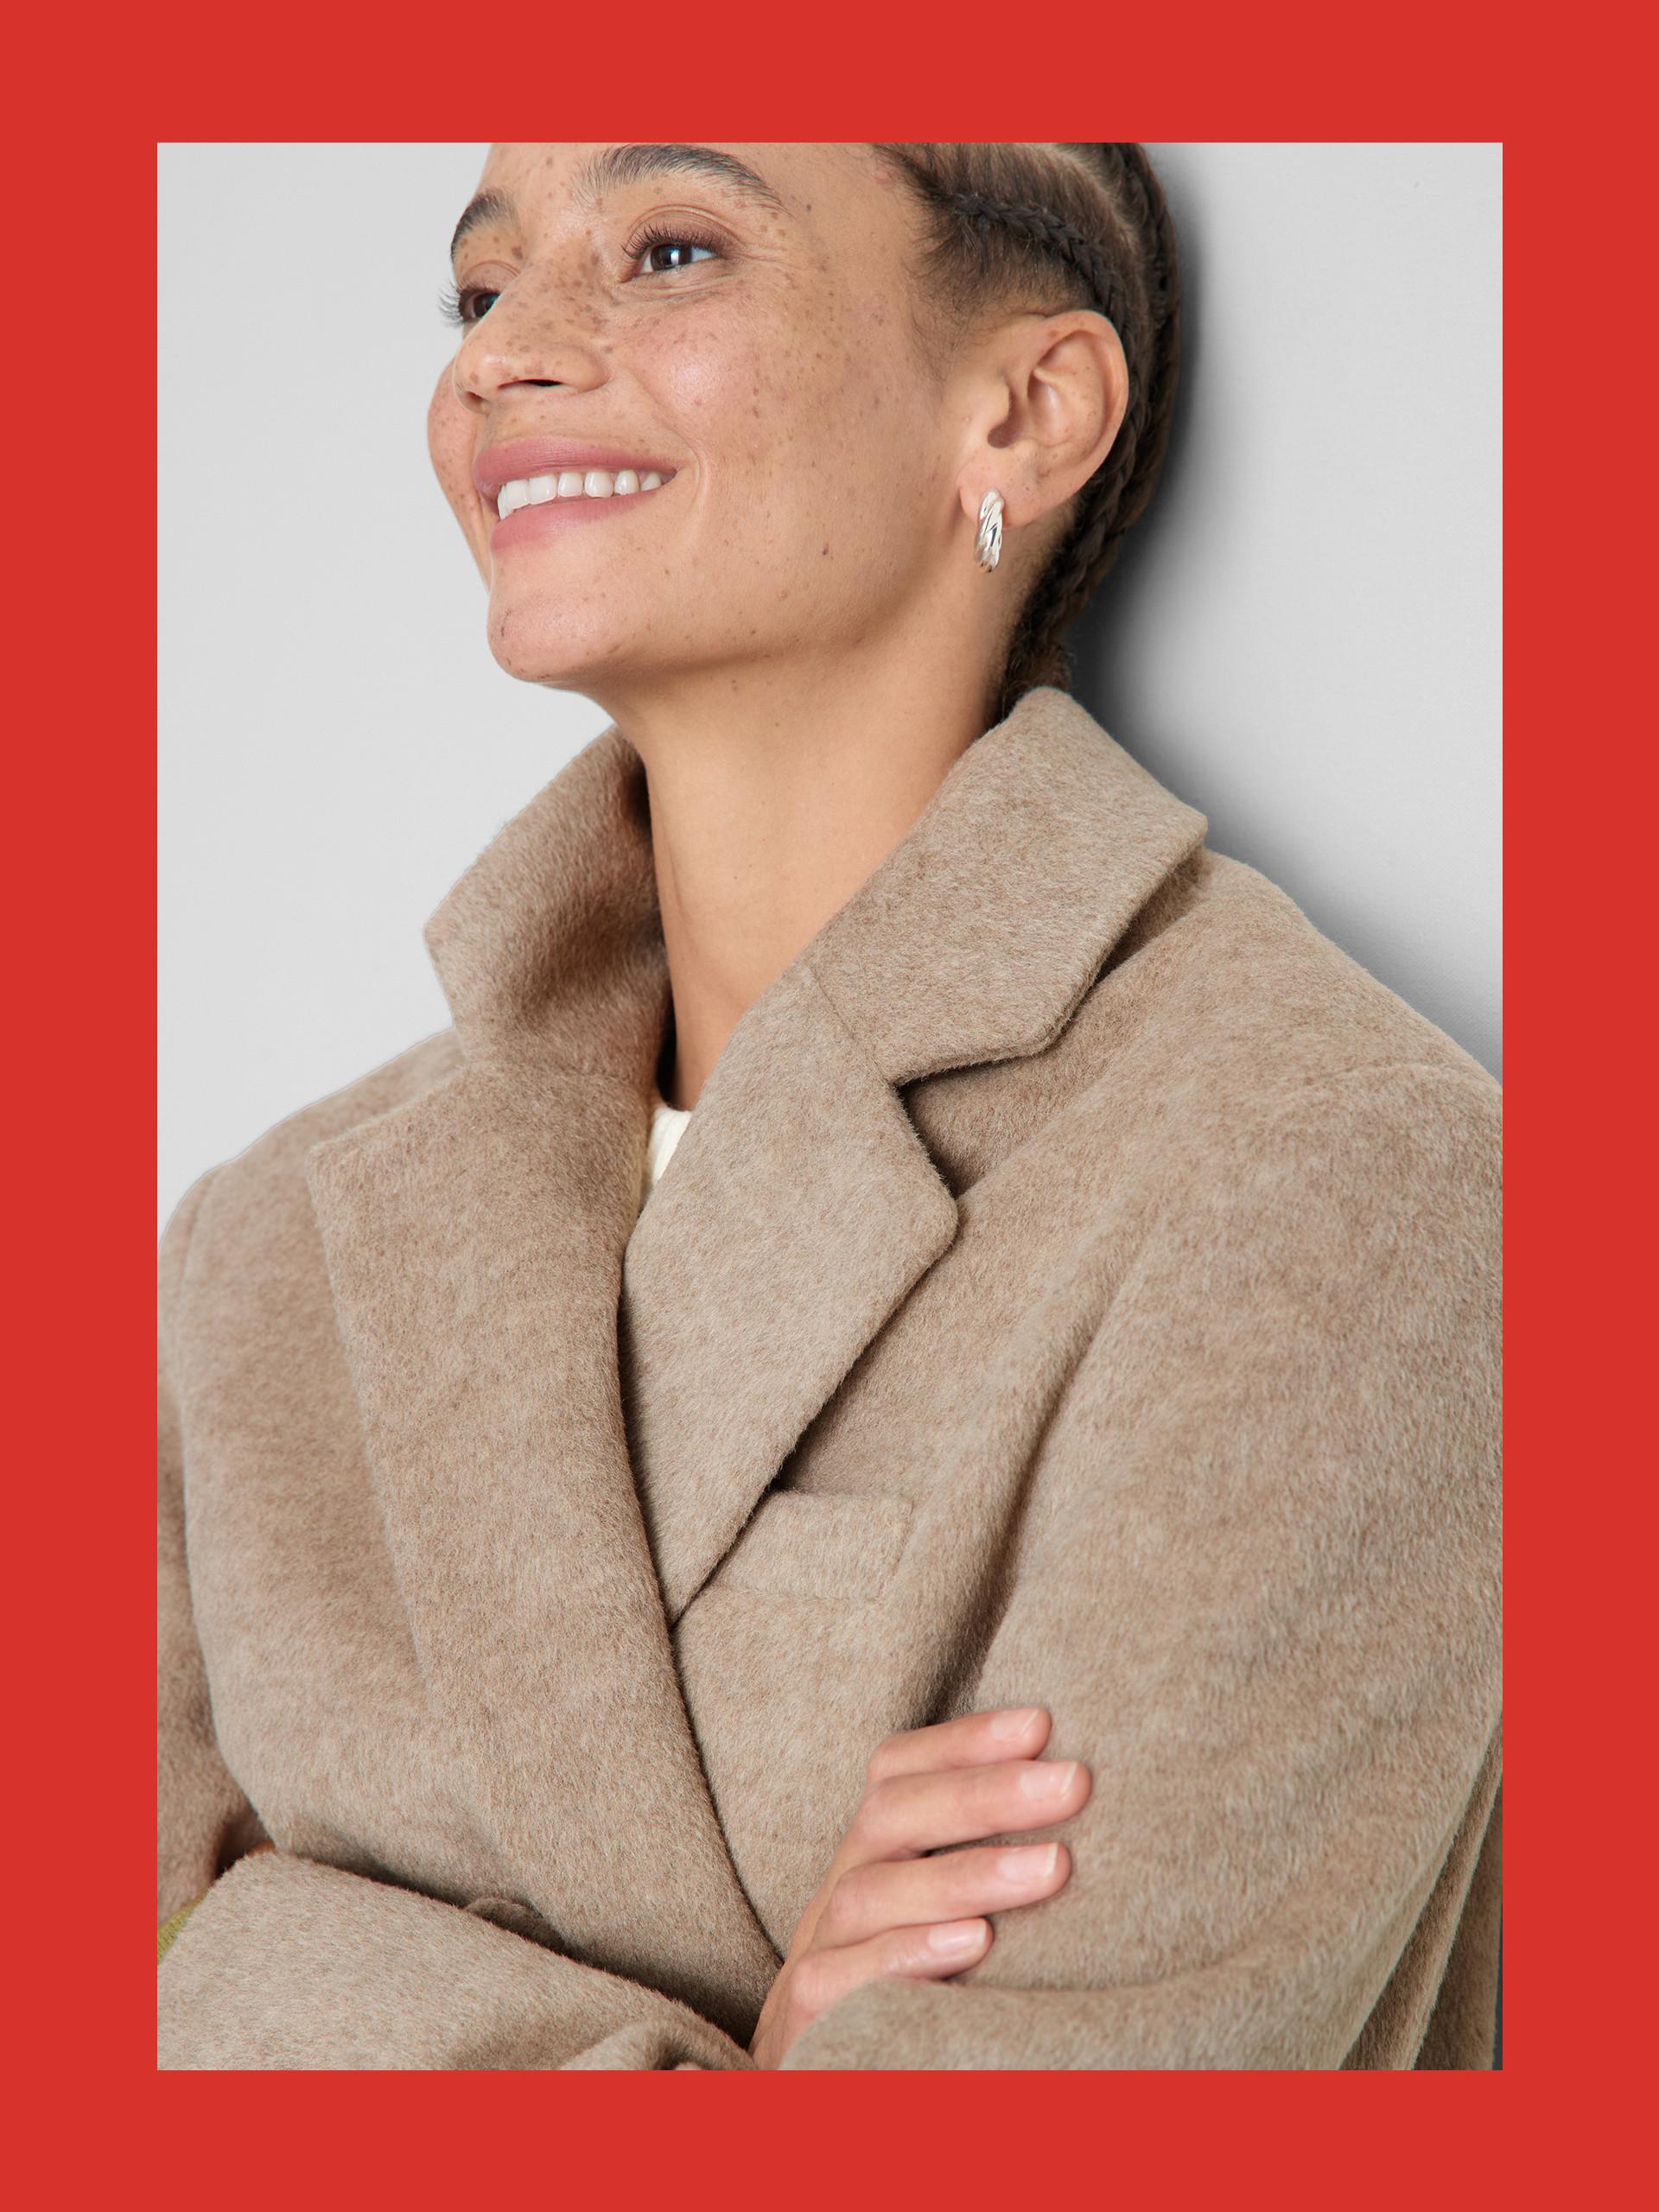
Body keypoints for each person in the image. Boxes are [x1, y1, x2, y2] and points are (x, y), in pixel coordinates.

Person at [157, 143, 1502, 2069]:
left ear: (1026, 412)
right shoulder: (252, 1249)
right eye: (479, 288)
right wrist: (755, 2070)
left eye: (671, 247)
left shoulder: (1346, 1181)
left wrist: (297, 1979)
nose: (503, 359)